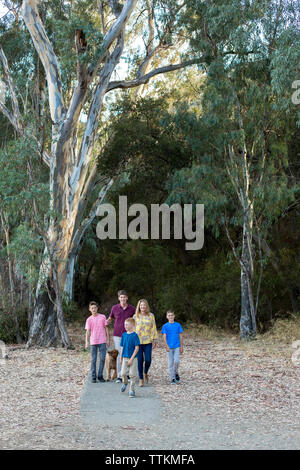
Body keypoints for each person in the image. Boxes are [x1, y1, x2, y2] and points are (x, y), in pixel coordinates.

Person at [107, 290, 135, 383]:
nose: (123, 299)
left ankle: (127, 375)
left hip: (129, 334)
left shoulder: (132, 309)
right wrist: (107, 321)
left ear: (127, 298)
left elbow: (135, 320)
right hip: (117, 334)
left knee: (129, 354)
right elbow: (110, 319)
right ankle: (119, 375)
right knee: (120, 354)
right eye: (121, 297)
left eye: (124, 297)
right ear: (118, 298)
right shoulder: (114, 308)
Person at [133, 299, 158, 387]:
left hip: (148, 341)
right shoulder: (135, 316)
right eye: (141, 305)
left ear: (146, 306)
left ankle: (145, 372)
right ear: (139, 307)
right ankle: (140, 379)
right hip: (138, 342)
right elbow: (133, 329)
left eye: (144, 305)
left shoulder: (151, 315)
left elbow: (153, 327)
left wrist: (154, 339)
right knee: (140, 360)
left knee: (148, 360)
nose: (142, 307)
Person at [85, 301, 110, 383]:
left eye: (95, 308)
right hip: (93, 341)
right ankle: (93, 377)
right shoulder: (89, 319)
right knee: (93, 359)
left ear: (97, 308)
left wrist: (108, 339)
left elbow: (106, 328)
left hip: (102, 340)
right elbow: (88, 331)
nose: (94, 309)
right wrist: (87, 341)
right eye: (92, 308)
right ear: (89, 309)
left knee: (102, 359)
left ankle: (100, 375)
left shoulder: (102, 317)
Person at [120, 317, 140, 398]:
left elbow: (137, 348)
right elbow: (122, 347)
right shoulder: (123, 335)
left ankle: (131, 389)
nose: (125, 326)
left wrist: (131, 359)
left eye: (127, 324)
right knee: (123, 373)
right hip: (125, 357)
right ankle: (125, 382)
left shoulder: (135, 335)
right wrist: (121, 358)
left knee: (132, 374)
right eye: (124, 324)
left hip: (133, 358)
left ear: (132, 325)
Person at [161, 311, 183, 384]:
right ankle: (172, 378)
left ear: (174, 316)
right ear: (167, 317)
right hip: (169, 347)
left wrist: (181, 346)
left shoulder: (178, 325)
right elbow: (164, 337)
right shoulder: (165, 326)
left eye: (172, 315)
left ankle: (176, 372)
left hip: (177, 346)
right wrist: (166, 346)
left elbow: (181, 336)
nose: (170, 317)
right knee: (170, 363)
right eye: (169, 315)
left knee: (176, 361)